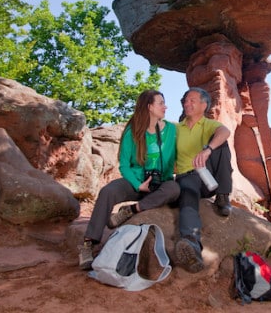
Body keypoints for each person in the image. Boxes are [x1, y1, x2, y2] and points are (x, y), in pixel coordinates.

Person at [78, 90, 180, 270]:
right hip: (137, 183)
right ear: (149, 107)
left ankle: (131, 210)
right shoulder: (132, 132)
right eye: (161, 103)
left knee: (174, 189)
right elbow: (124, 165)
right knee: (108, 191)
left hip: (161, 184)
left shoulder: (171, 130)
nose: (165, 107)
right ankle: (88, 244)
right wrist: (138, 185)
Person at [173, 87, 233, 273]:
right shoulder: (176, 129)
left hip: (209, 178)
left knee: (221, 145)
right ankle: (191, 244)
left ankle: (223, 196)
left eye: (192, 100)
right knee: (187, 191)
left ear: (204, 105)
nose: (187, 103)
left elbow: (225, 132)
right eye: (185, 100)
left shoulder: (209, 124)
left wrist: (208, 150)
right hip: (187, 177)